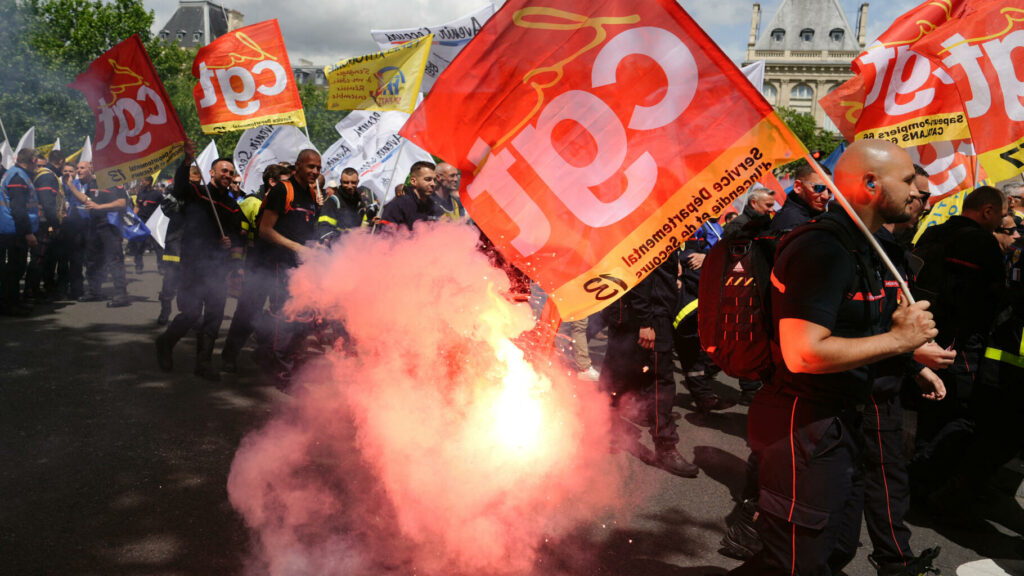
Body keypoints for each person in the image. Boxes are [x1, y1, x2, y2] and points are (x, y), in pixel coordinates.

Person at [730, 140, 943, 576]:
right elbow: (804, 352)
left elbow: (861, 330)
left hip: (842, 423)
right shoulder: (822, 249)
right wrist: (900, 341)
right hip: (803, 428)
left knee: (833, 549)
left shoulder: (862, 246)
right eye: (906, 181)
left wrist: (909, 355)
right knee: (797, 563)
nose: (915, 192)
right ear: (870, 183)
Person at [910, 186, 1005, 481]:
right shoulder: (981, 242)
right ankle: (927, 480)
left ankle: (917, 477)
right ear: (987, 210)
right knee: (958, 414)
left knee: (930, 411)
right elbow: (988, 299)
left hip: (923, 335)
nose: (1001, 222)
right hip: (961, 345)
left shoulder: (933, 232)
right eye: (1000, 214)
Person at [601, 250, 699, 478]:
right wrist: (646, 320)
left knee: (618, 374)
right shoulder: (650, 222)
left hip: (629, 313)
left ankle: (606, 427)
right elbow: (640, 272)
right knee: (659, 382)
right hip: (648, 317)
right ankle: (665, 447)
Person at [156, 145, 244, 381]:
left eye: (230, 172)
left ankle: (203, 364)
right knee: (191, 313)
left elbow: (239, 234)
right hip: (193, 265)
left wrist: (232, 248)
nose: (227, 175)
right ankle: (165, 343)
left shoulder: (232, 204)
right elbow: (181, 185)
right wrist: (186, 160)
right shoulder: (197, 192)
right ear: (212, 173)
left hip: (218, 269)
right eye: (222, 171)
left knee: (214, 317)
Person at [247, 149, 322, 381]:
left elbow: (306, 232)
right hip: (280, 263)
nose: (315, 172)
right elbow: (265, 230)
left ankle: (276, 358)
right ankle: (281, 371)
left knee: (303, 317)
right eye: (310, 166)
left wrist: (315, 249)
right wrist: (298, 248)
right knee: (285, 317)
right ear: (297, 166)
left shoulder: (311, 195)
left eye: (318, 168)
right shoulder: (283, 190)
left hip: (302, 266)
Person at [70, 164, 131, 307]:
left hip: (110, 226)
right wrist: (71, 186)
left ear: (92, 168)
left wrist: (99, 207)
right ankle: (94, 291)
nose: (78, 170)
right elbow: (87, 200)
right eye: (77, 168)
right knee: (92, 259)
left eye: (82, 168)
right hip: (94, 225)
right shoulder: (91, 183)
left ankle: (121, 294)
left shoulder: (112, 181)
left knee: (114, 259)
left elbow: (121, 203)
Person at [0, 148, 40, 316]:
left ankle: (13, 301)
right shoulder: (18, 177)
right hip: (14, 230)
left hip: (12, 229)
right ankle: (10, 305)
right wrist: (28, 233)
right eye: (36, 162)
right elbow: (18, 209)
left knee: (15, 268)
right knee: (15, 268)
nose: (37, 165)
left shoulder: (15, 173)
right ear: (32, 161)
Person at [30, 149, 65, 300]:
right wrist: (55, 224)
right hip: (43, 222)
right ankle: (31, 291)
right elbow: (48, 204)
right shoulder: (47, 176)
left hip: (43, 221)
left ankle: (38, 289)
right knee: (39, 257)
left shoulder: (47, 175)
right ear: (62, 162)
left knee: (44, 257)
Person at [769, 163, 831, 233]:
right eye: (818, 188)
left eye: (830, 190)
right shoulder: (792, 223)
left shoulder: (818, 216)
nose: (826, 196)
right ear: (798, 187)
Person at [380, 161, 439, 230]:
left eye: (434, 180)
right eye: (428, 179)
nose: (433, 184)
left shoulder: (433, 204)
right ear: (413, 181)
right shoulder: (398, 205)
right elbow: (385, 236)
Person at [318, 167, 364, 236]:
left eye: (353, 182)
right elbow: (324, 227)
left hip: (356, 243)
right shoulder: (333, 201)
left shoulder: (359, 202)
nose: (349, 186)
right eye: (346, 182)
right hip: (338, 244)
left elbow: (362, 226)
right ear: (340, 182)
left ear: (358, 182)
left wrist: (371, 222)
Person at [128, 176, 161, 273]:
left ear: (149, 181)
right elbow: (137, 206)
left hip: (154, 222)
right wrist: (132, 217)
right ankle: (138, 266)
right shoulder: (140, 193)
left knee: (157, 246)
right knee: (139, 245)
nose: (142, 182)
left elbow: (162, 208)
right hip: (142, 222)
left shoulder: (157, 194)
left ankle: (161, 267)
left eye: (143, 180)